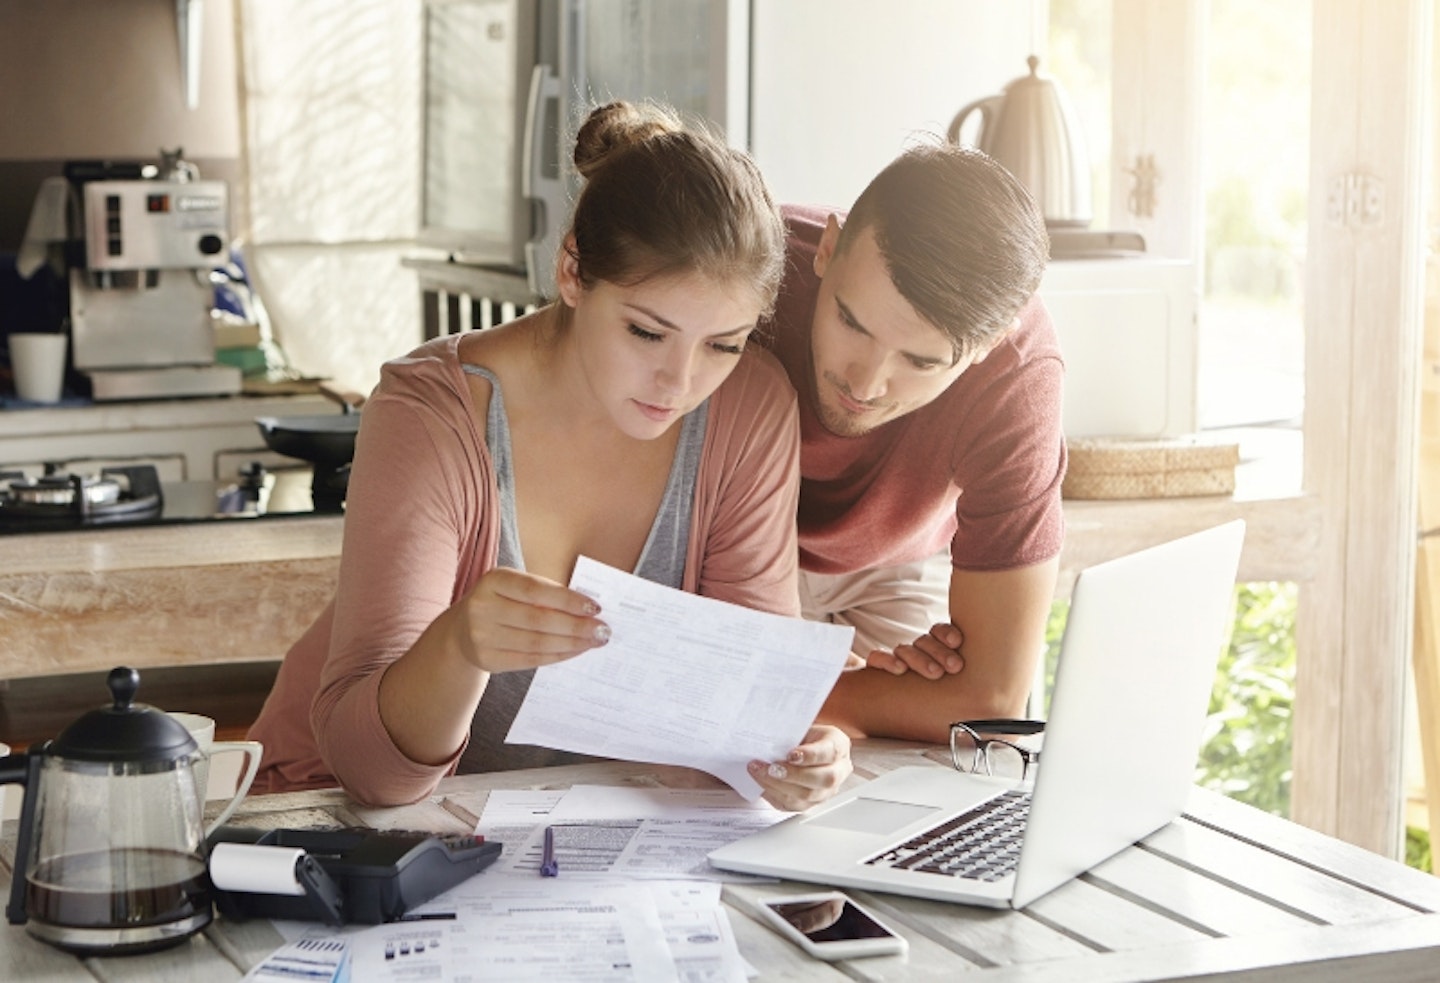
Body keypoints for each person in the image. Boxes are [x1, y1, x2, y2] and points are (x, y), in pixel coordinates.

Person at [247, 101, 852, 812]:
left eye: (722, 343)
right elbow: (371, 777)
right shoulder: (430, 413)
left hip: (561, 843)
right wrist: (458, 647)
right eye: (647, 332)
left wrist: (792, 756)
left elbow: (731, 723)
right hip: (336, 825)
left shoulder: (750, 407)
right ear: (572, 271)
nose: (680, 382)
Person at [760, 141, 1064, 745]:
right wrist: (847, 695)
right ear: (827, 247)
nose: (864, 383)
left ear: (986, 347)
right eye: (851, 321)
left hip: (895, 565)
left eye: (921, 361)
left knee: (916, 779)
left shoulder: (1018, 374)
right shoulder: (749, 263)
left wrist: (784, 691)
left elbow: (991, 703)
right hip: (731, 551)